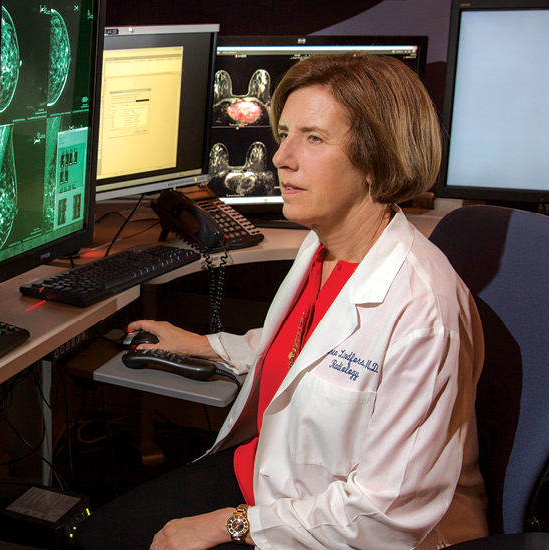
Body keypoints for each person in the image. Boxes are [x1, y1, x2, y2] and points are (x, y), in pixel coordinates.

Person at [76, 53, 488, 550]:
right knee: (96, 535)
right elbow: (312, 354)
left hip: (346, 527)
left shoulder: (422, 312)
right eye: (286, 133)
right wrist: (206, 345)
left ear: (377, 160)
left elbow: (384, 514)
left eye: (312, 138)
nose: (280, 156)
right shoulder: (324, 244)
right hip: (270, 477)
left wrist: (228, 524)